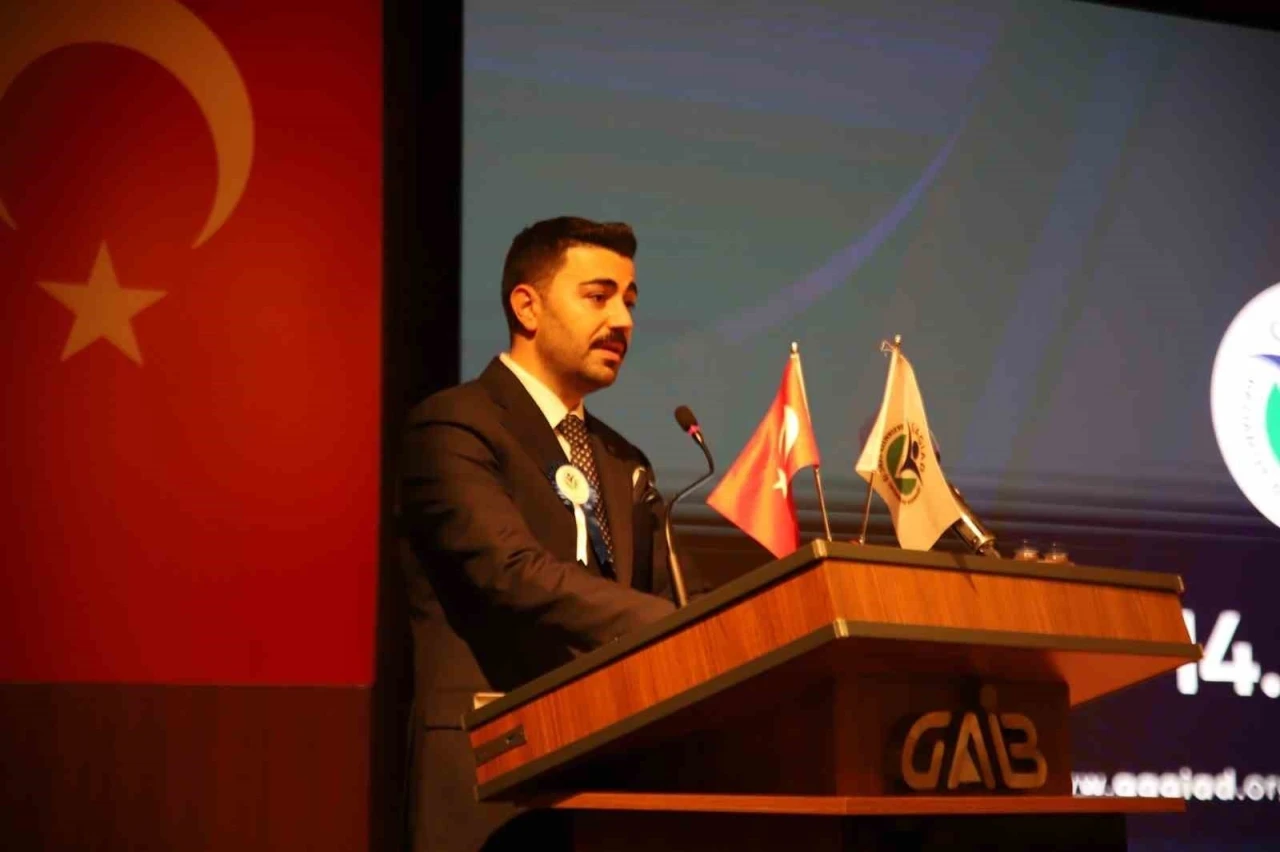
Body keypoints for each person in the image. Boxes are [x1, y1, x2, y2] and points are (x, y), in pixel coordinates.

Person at [399, 216, 694, 852]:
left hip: (607, 780)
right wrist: (678, 624)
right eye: (599, 296)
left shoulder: (623, 460)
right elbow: (510, 570)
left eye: (630, 301)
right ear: (527, 307)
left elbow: (662, 600)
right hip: (493, 776)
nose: (623, 320)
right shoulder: (453, 426)